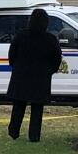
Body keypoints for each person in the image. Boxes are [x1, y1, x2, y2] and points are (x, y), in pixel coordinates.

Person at [6, 9, 62, 142]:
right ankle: (34, 136)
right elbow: (57, 58)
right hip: (41, 78)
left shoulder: (21, 36)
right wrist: (50, 71)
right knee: (37, 108)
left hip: (21, 76)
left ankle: (13, 132)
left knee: (19, 105)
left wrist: (16, 67)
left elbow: (11, 55)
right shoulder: (50, 39)